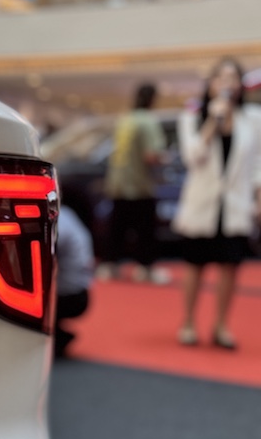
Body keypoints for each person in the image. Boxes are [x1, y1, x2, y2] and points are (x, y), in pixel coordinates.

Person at [172, 58, 261, 349]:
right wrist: (213, 121)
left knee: (230, 267)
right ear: (210, 84)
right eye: (221, 78)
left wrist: (258, 198)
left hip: (235, 204)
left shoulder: (253, 118)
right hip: (202, 203)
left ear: (240, 85)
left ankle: (221, 325)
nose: (227, 83)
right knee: (195, 264)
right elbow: (193, 157)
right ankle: (188, 322)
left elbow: (258, 164)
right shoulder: (192, 118)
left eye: (233, 78)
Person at [102, 82, 169, 283]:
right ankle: (145, 269)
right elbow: (151, 155)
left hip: (118, 183)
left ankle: (109, 266)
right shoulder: (148, 121)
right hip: (139, 185)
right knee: (145, 229)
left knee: (117, 228)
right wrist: (165, 159)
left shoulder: (125, 119)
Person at [55, 195, 95, 358]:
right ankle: (58, 335)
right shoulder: (67, 213)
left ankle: (58, 337)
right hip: (80, 290)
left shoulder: (59, 219)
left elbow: (50, 246)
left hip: (70, 296)